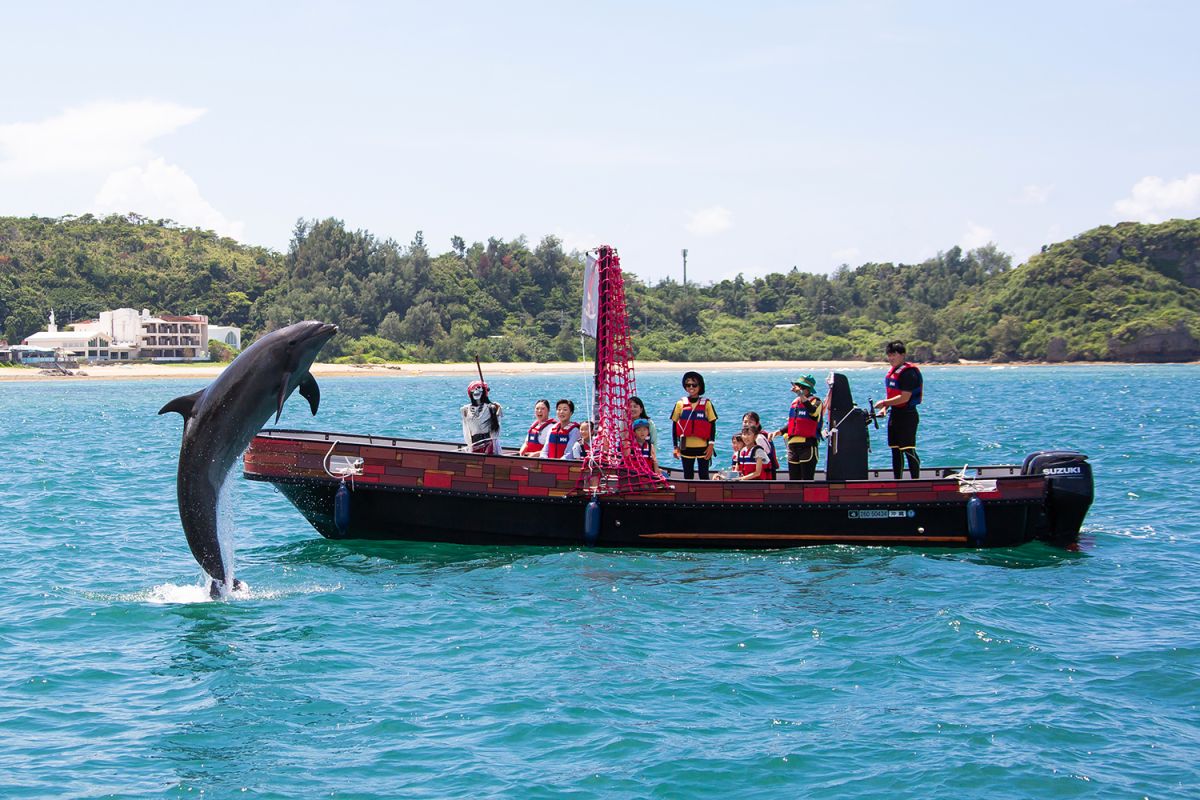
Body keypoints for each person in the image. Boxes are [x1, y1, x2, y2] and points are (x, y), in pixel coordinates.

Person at [874, 340, 923, 479]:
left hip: (908, 415)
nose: (891, 358)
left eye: (894, 355)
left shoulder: (909, 373)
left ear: (902, 355)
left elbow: (904, 398)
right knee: (895, 450)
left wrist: (884, 402)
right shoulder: (894, 372)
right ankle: (898, 481)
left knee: (908, 449)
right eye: (889, 355)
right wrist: (885, 408)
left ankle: (916, 480)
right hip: (894, 415)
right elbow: (893, 394)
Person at [771, 375, 822, 480]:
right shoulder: (795, 403)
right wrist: (779, 432)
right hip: (793, 446)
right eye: (798, 387)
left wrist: (800, 395)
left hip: (807, 445)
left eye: (801, 388)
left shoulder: (816, 402)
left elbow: (812, 411)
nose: (798, 390)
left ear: (807, 389)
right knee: (794, 480)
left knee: (806, 480)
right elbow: (794, 423)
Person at [670, 371, 718, 479]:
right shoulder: (680, 404)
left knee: (704, 475)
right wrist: (675, 447)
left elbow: (712, 424)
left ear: (700, 386)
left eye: (694, 385)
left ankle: (706, 495)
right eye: (688, 385)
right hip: (686, 447)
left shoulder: (707, 404)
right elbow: (674, 426)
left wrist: (711, 444)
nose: (691, 387)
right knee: (688, 475)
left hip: (703, 447)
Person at [461, 380, 502, 454]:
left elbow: (496, 430)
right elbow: (466, 430)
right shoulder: (465, 410)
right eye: (473, 389)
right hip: (474, 444)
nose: (476, 391)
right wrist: (469, 446)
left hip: (488, 444)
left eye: (479, 389)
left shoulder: (492, 408)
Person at [741, 411, 779, 479]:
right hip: (752, 475)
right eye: (745, 422)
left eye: (750, 422)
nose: (747, 424)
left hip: (765, 476)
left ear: (757, 424)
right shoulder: (746, 438)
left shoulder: (759, 438)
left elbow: (763, 461)